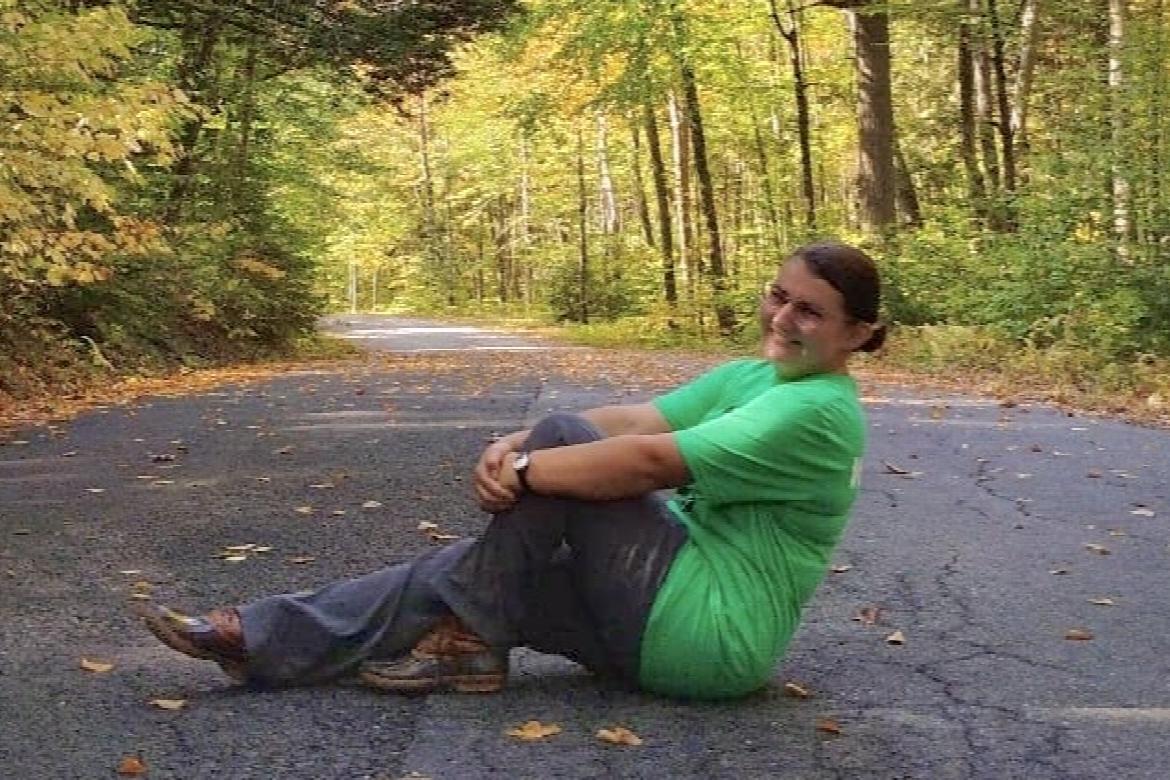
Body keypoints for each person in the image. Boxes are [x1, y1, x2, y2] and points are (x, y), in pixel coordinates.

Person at [139, 240, 885, 700]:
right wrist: (514, 441)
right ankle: (252, 638)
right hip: (656, 625)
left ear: (857, 333)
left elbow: (648, 461)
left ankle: (470, 642)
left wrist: (528, 467)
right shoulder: (755, 378)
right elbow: (635, 420)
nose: (781, 318)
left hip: (706, 629)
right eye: (778, 295)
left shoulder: (816, 410)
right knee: (464, 573)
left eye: (810, 312)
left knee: (552, 458)